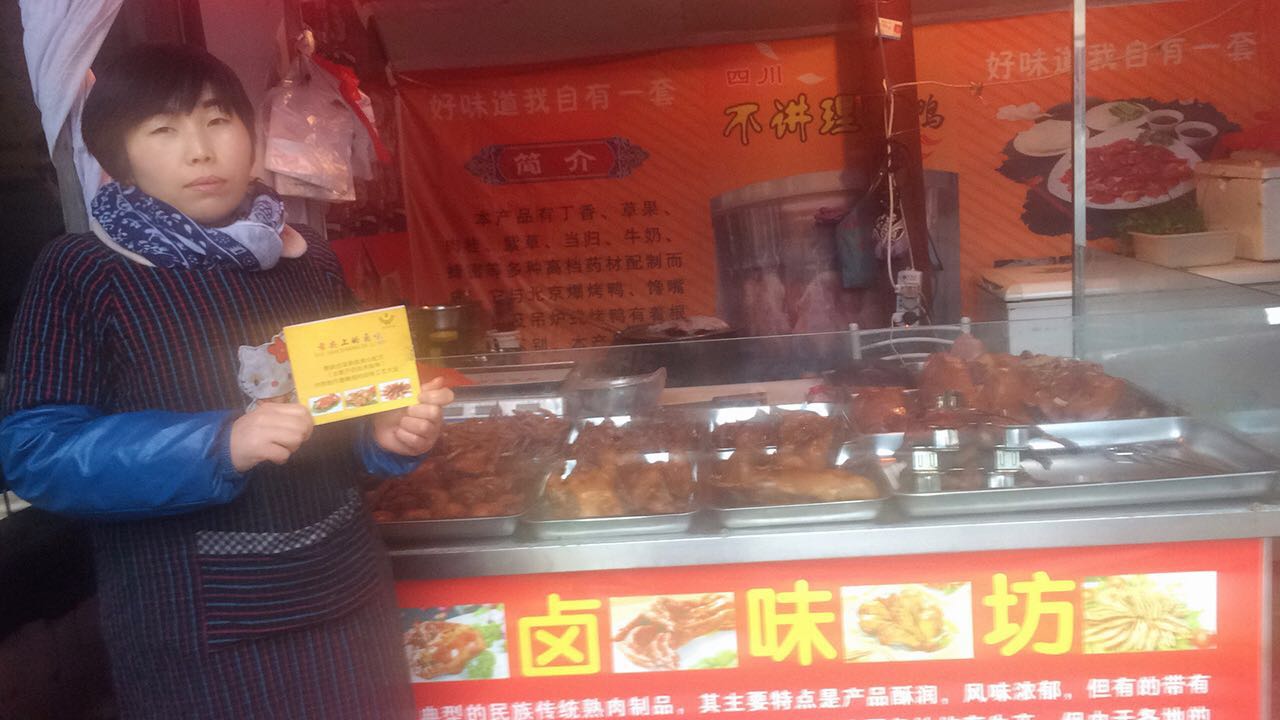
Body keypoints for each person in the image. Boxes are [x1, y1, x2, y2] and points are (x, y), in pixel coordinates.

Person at [0, 44, 448, 719]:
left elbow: (346, 407)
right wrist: (216, 445)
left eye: (217, 121)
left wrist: (384, 434)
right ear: (118, 157)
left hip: (347, 598)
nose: (200, 151)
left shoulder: (305, 260)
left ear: (248, 132)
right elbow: (37, 452)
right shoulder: (85, 271)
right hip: (199, 630)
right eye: (163, 130)